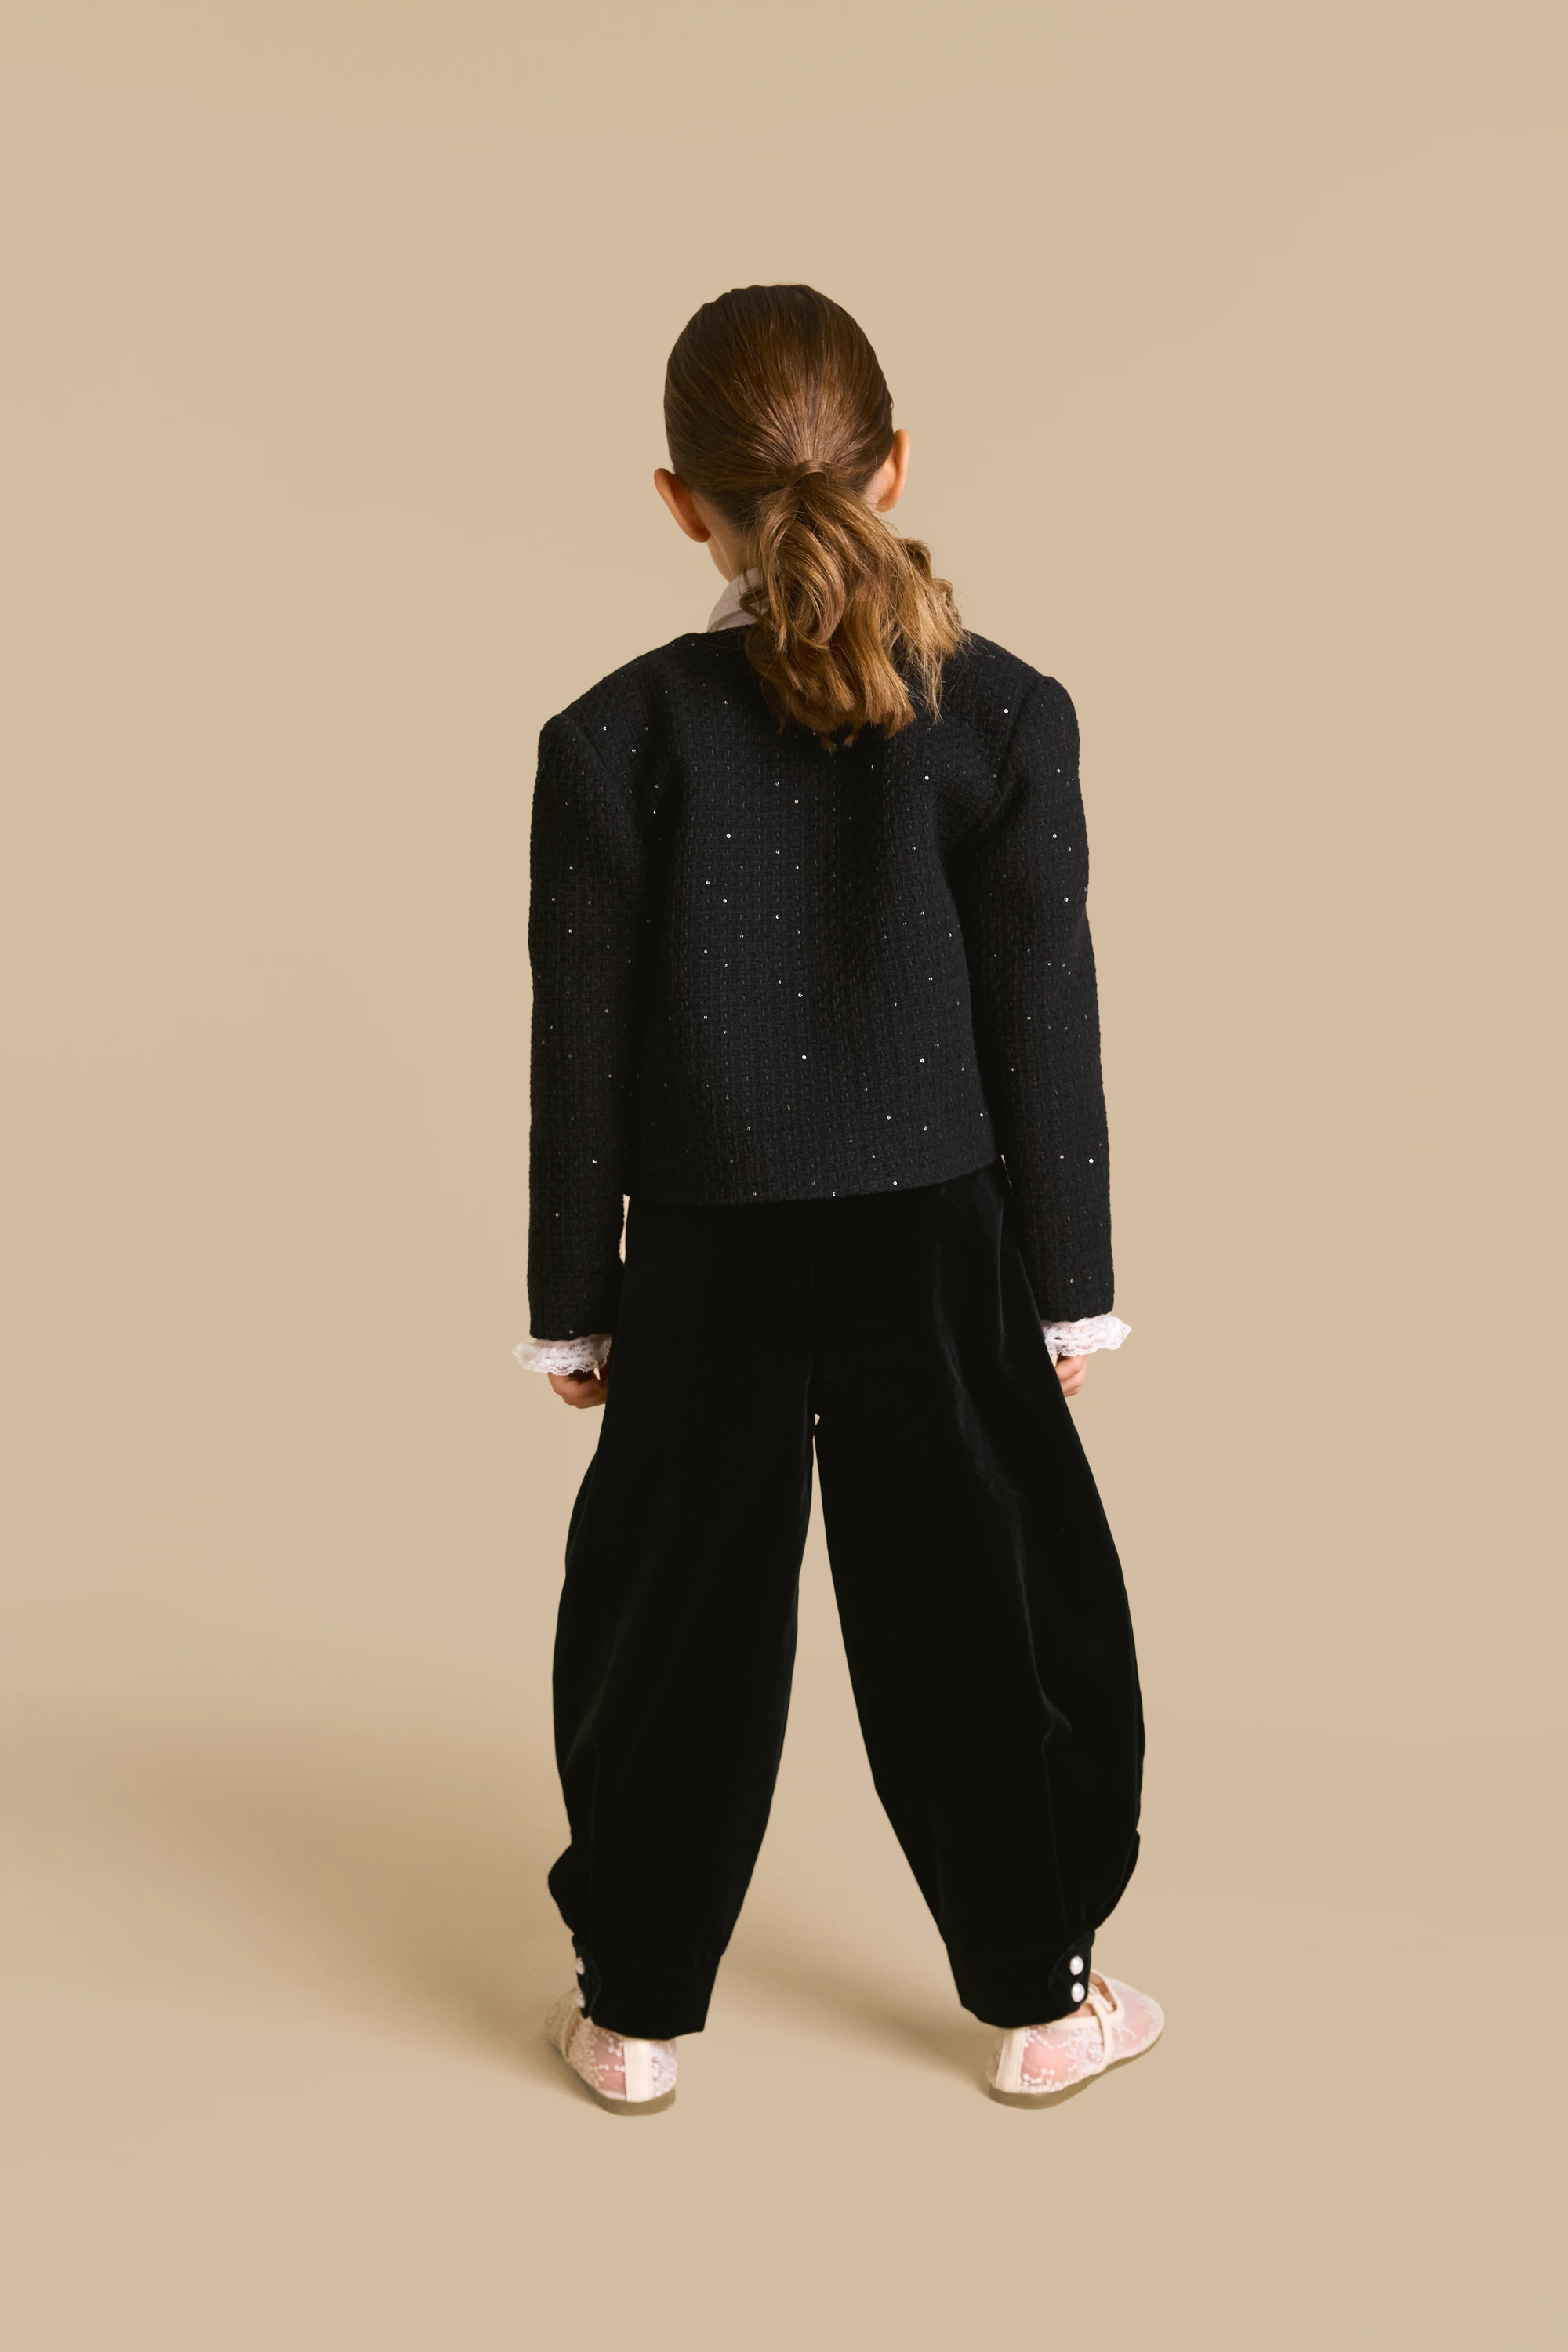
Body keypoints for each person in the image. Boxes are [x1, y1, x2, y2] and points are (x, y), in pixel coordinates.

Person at [515, 285, 1161, 2114]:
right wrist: (1067, 1287)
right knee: (982, 1610)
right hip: (937, 1240)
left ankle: (632, 2015)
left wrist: (575, 1303)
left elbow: (578, 1050)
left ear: (678, 501)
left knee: (671, 1619)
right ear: (893, 467)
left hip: (701, 1248)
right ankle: (1043, 2001)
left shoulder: (611, 735)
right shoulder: (1002, 713)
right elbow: (1043, 1013)